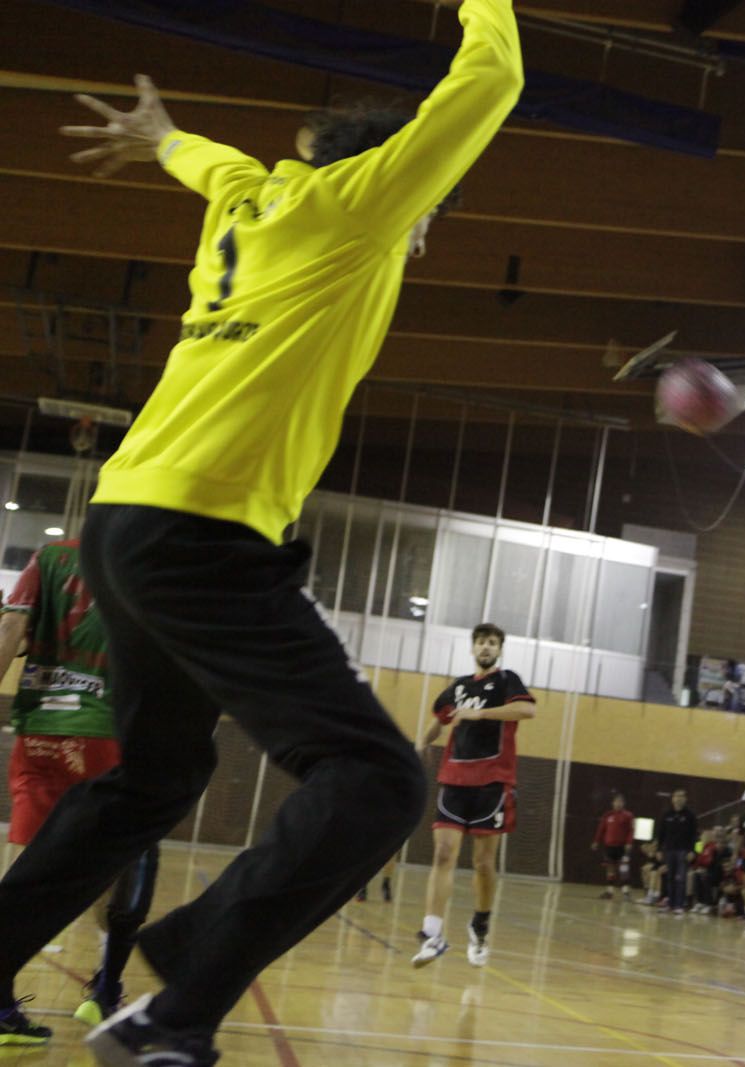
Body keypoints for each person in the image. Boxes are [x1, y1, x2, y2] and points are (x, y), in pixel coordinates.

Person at [0, 4, 522, 1063]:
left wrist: (162, 137)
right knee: (377, 778)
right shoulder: (356, 209)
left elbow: (214, 164)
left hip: (124, 519)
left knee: (152, 778)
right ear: (390, 182)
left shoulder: (252, 199)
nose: (421, 232)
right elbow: (490, 78)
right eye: (425, 209)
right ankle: (182, 997)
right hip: (203, 532)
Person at [0, 542, 162, 1036]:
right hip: (108, 731)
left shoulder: (49, 558)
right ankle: (105, 989)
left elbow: (9, 630)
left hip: (41, 726)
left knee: (26, 860)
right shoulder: (152, 559)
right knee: (129, 854)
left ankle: (1, 1003)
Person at [409, 623, 534, 968]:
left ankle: (480, 924)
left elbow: (527, 711)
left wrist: (480, 713)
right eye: (480, 642)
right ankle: (432, 935)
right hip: (454, 779)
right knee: (444, 854)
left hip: (493, 781)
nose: (485, 647)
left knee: (482, 863)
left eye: (492, 642)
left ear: (499, 649)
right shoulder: (459, 686)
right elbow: (441, 718)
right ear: (472, 648)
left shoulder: (508, 680)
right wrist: (421, 743)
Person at [657, 788, 698, 915]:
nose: (679, 798)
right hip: (669, 851)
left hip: (683, 851)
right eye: (676, 796)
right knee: (669, 877)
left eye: (682, 796)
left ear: (685, 799)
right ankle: (669, 903)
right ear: (672, 798)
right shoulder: (666, 814)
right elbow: (661, 834)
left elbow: (695, 836)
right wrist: (659, 850)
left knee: (680, 878)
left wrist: (693, 851)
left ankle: (679, 905)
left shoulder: (690, 815)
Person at [593, 794, 635, 899]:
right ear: (613, 803)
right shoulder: (607, 815)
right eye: (616, 802)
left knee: (623, 869)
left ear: (623, 804)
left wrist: (629, 843)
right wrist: (596, 841)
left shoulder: (628, 816)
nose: (618, 804)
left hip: (622, 847)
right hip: (609, 847)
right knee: (610, 869)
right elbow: (601, 829)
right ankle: (610, 892)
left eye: (620, 802)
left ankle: (626, 893)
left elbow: (631, 830)